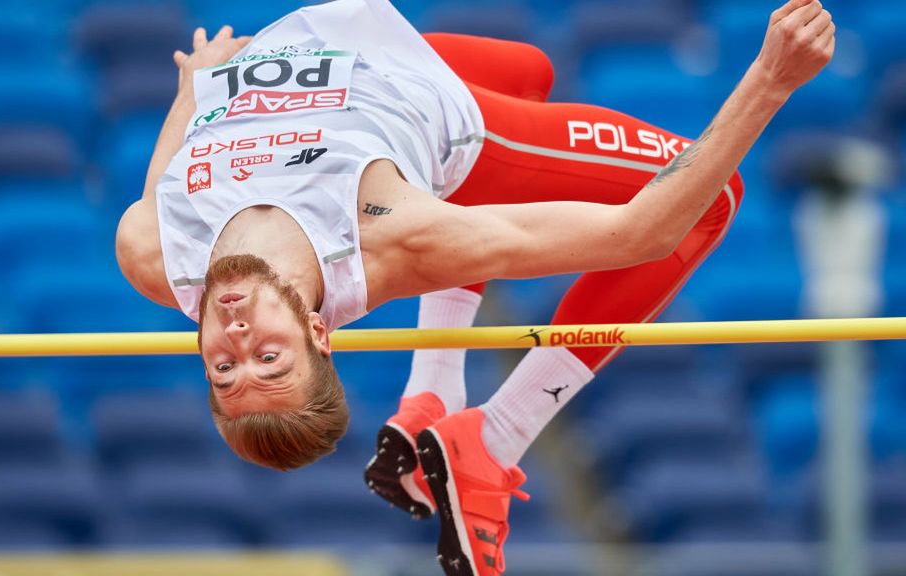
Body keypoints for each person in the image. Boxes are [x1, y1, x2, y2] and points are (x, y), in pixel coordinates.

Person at [115, 0, 835, 573]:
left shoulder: (152, 253)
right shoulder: (393, 232)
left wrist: (196, 87)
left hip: (363, 48)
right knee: (712, 197)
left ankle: (430, 397)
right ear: (316, 332)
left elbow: (164, 186)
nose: (237, 340)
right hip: (430, 115)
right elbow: (639, 234)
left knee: (529, 67)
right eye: (268, 360)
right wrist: (770, 80)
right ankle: (493, 440)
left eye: (223, 367)